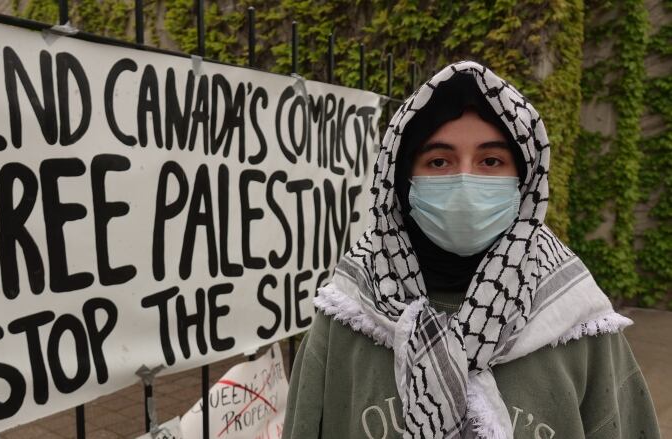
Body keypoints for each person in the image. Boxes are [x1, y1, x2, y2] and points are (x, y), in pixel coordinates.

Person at [282, 61, 661, 439]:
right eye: (439, 161)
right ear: (401, 181)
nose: (465, 181)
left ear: (524, 181)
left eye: (491, 161)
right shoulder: (351, 312)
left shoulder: (575, 319)